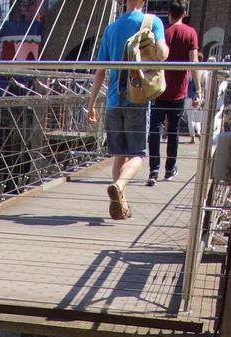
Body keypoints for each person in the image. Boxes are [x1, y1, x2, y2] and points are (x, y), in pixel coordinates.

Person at [87, 1, 168, 220]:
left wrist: (92, 104)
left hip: (113, 101)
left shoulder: (110, 29)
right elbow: (162, 54)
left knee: (119, 156)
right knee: (138, 155)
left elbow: (100, 72)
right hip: (137, 98)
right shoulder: (152, 22)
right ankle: (119, 185)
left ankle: (121, 205)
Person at [147, 3, 202, 184]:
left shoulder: (163, 33)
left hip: (159, 89)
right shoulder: (190, 33)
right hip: (179, 91)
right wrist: (199, 91)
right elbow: (194, 62)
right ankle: (170, 170)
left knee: (155, 128)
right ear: (185, 13)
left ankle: (153, 170)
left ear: (169, 13)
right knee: (173, 131)